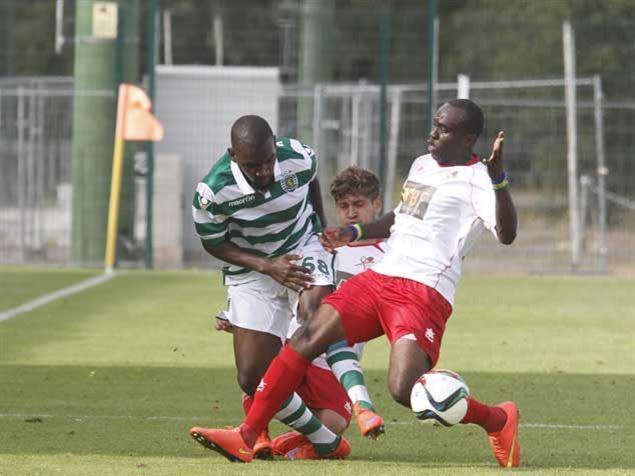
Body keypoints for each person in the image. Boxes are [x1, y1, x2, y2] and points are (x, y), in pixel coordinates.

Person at [189, 99, 521, 468]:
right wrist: (355, 231)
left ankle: (498, 419)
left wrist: (499, 181)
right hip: (379, 279)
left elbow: (506, 234)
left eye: (443, 129)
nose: (433, 133)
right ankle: (246, 435)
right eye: (434, 124)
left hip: (423, 290)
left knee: (403, 390)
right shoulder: (423, 164)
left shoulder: (479, 180)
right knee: (307, 337)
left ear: (468, 139)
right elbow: (402, 217)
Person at [191, 115, 348, 459]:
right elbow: (213, 243)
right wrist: (266, 266)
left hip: (301, 247)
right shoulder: (211, 193)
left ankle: (251, 432)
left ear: (274, 144)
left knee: (313, 319)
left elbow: (311, 181)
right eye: (252, 165)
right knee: (250, 377)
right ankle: (324, 439)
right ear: (233, 155)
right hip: (252, 269)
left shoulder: (298, 156)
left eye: (267, 160)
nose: (263, 171)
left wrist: (319, 228)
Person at [212, 166, 387, 460]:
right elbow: (275, 286)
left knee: (334, 423)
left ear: (377, 204)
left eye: (359, 204)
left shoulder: (390, 255)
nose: (351, 213)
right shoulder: (320, 246)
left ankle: (303, 438)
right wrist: (234, 313)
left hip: (334, 362)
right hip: (295, 345)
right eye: (344, 206)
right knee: (257, 363)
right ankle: (260, 436)